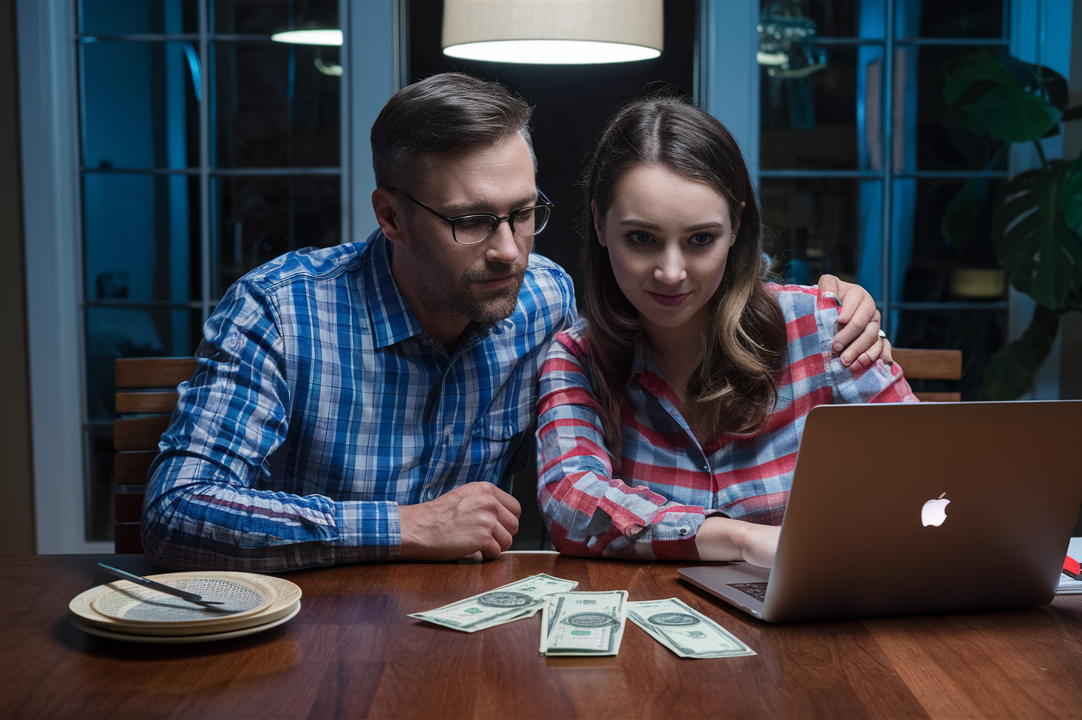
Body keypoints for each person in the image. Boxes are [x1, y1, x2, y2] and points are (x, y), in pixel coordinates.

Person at [143, 74, 889, 572]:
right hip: (300, 627)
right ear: (391, 217)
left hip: (464, 628)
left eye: (525, 213)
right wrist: (405, 526)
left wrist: (832, 303)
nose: (509, 251)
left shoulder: (543, 301)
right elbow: (175, 509)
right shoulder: (281, 308)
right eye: (471, 221)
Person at [536, 97, 917, 568]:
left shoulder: (823, 327)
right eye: (641, 238)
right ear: (599, 223)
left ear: (735, 226)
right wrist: (741, 539)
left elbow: (927, 467)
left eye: (700, 239)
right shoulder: (578, 357)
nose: (671, 272)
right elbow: (571, 502)